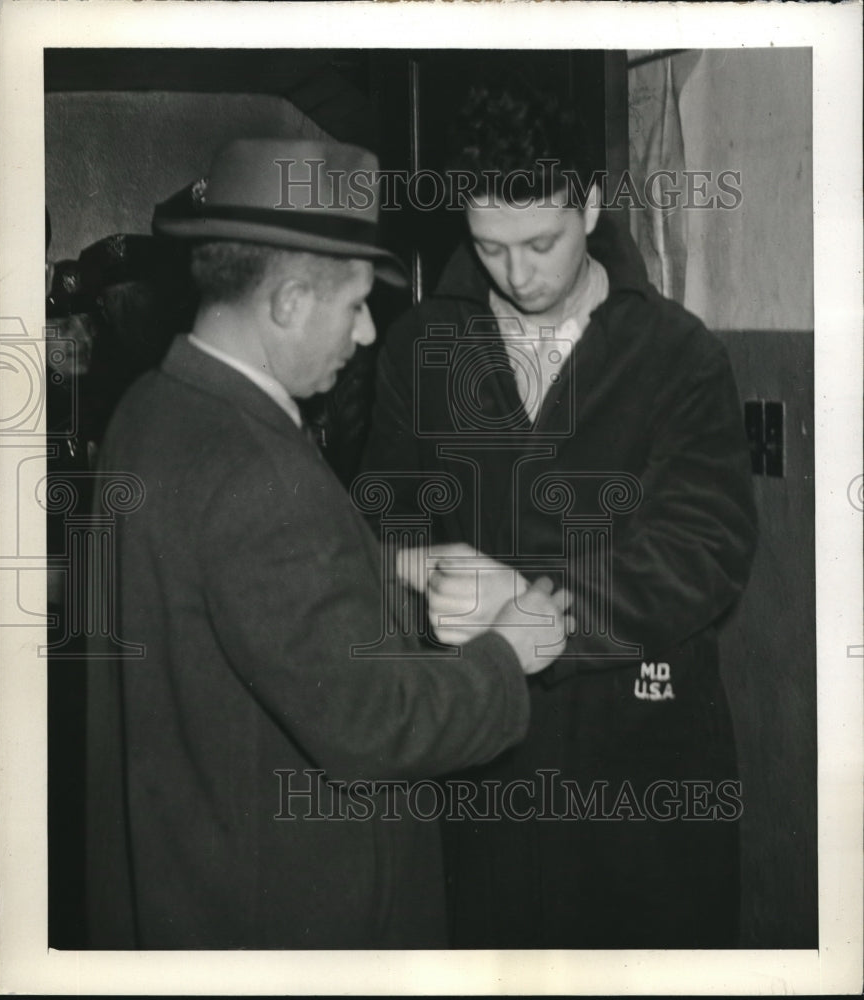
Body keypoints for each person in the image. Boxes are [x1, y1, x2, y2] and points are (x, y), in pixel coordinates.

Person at [84, 137, 573, 950]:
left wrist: (385, 569)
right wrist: (505, 652)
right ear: (289, 303)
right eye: (354, 305)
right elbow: (372, 727)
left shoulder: (153, 407)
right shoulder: (258, 468)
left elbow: (225, 585)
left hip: (187, 871)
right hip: (288, 909)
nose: (371, 332)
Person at [361, 82, 758, 948]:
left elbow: (704, 553)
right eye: (489, 246)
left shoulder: (677, 354)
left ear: (589, 203)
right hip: (481, 755)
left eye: (541, 242)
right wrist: (409, 576)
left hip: (642, 763)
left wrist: (532, 608)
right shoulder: (421, 348)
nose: (518, 273)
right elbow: (380, 520)